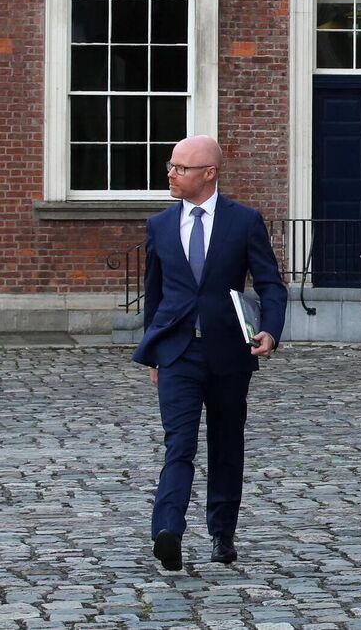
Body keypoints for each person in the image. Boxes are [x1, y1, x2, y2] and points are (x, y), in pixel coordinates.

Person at [132, 134, 288, 571]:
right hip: (177, 353)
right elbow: (154, 294)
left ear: (208, 173)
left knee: (226, 444)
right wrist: (154, 352)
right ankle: (168, 531)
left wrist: (271, 332)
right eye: (171, 165)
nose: (171, 174)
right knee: (178, 444)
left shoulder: (244, 221)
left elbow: (271, 285)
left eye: (181, 168)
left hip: (229, 354)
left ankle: (222, 532)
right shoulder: (161, 225)